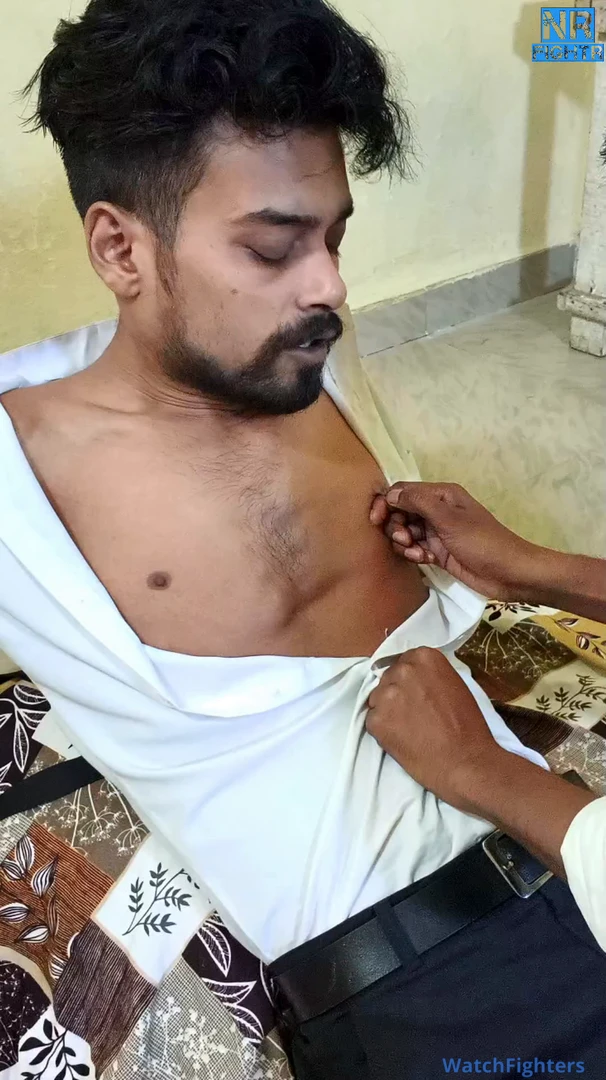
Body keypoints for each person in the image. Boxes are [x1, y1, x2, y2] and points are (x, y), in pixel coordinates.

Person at [0, 1, 604, 1077]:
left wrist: (532, 573)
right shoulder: (21, 476)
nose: (329, 285)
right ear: (120, 247)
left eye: (335, 238)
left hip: (570, 856)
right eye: (274, 247)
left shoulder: (312, 358)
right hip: (429, 989)